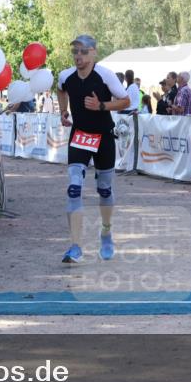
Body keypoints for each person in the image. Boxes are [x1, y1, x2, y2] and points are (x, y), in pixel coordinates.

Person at [56, 34, 130, 263]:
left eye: (83, 51)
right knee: (74, 188)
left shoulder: (105, 75)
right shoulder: (66, 76)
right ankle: (75, 246)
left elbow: (126, 101)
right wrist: (63, 111)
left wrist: (101, 106)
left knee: (104, 189)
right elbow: (60, 90)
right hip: (79, 135)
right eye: (75, 51)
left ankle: (106, 234)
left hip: (104, 136)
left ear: (93, 53)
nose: (78, 56)